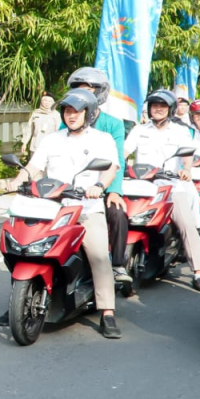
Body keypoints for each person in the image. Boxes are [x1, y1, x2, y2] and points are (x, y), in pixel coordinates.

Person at [18, 89, 122, 339]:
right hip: (52, 208)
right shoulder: (52, 139)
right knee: (25, 245)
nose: (71, 115)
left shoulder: (102, 138)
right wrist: (18, 179)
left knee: (98, 255)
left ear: (88, 113)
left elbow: (111, 168)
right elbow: (34, 166)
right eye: (67, 111)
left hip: (86, 209)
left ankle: (107, 311)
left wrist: (99, 186)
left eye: (76, 111)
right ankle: (17, 300)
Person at [124, 89, 200, 291]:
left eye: (162, 106)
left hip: (172, 186)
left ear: (170, 109)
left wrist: (186, 170)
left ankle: (198, 272)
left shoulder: (180, 131)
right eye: (154, 106)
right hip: (141, 186)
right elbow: (125, 151)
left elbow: (187, 154)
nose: (158, 110)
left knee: (186, 224)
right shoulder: (139, 130)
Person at [62, 67, 128, 271]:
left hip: (101, 184)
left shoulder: (113, 124)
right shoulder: (66, 121)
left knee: (117, 213)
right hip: (71, 186)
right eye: (78, 90)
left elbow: (117, 160)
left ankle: (117, 265)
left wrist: (114, 190)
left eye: (89, 90)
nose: (82, 96)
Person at [23, 93, 58, 158]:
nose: (47, 103)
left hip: (50, 147)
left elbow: (58, 131)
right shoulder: (35, 113)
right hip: (35, 145)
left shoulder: (56, 115)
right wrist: (24, 143)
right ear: (41, 102)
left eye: (49, 101)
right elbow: (29, 129)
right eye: (45, 100)